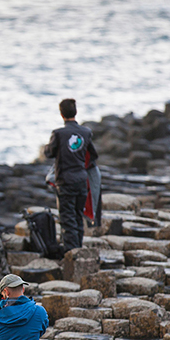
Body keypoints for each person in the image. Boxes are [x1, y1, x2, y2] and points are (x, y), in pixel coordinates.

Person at [44, 98, 100, 253]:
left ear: (61, 114)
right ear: (75, 112)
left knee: (67, 220)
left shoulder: (59, 134)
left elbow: (49, 153)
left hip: (65, 181)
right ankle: (78, 250)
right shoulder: (86, 132)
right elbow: (93, 155)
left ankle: (72, 255)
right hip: (82, 180)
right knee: (77, 217)